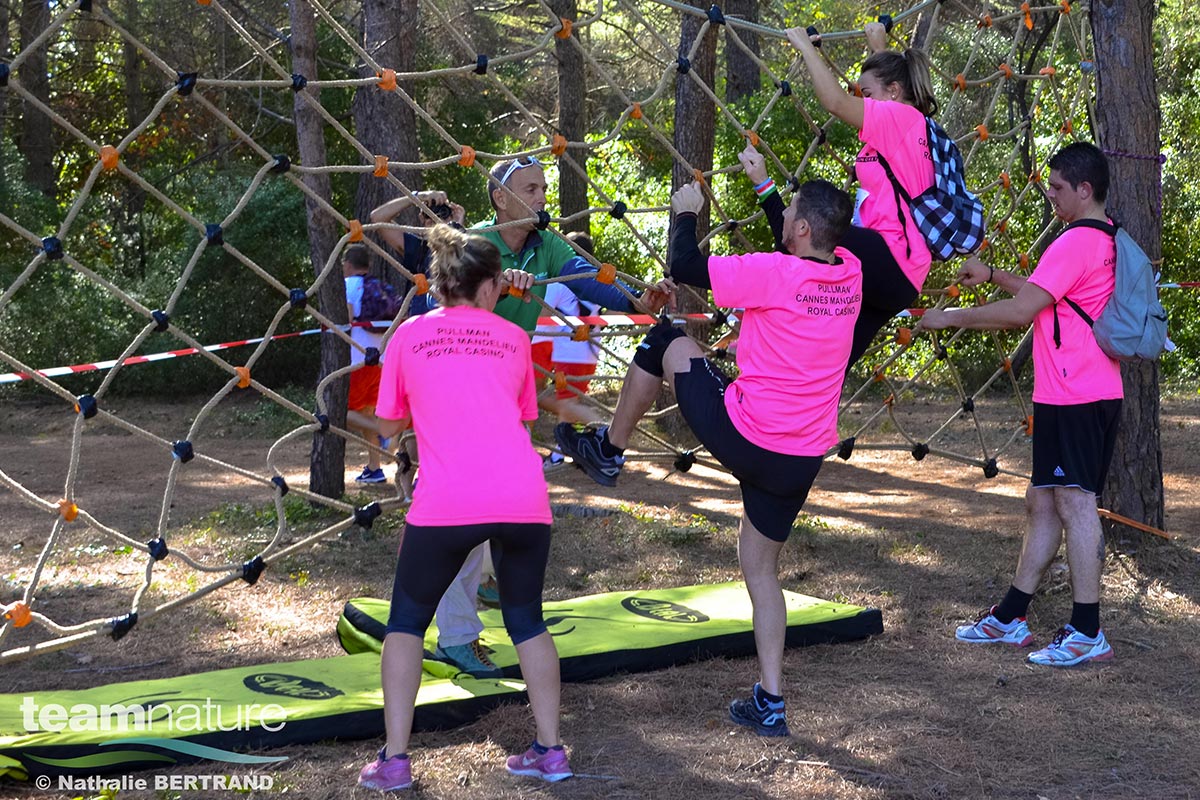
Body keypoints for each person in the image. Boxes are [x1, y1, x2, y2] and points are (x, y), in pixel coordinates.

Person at [555, 178, 861, 737]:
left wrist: (686, 212)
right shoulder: (850, 275)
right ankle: (771, 701)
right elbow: (795, 245)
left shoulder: (775, 272)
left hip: (750, 437)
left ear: (800, 229)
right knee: (759, 569)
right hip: (800, 460)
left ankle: (608, 450)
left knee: (664, 341)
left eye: (787, 214)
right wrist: (769, 190)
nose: (783, 220)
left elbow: (686, 264)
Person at [359, 224, 570, 790]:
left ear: (445, 282)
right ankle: (551, 751)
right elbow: (523, 415)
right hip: (524, 498)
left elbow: (387, 426)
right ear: (491, 286)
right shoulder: (514, 339)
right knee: (527, 622)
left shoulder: (408, 335)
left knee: (405, 624)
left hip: (447, 501)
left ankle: (395, 761)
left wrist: (403, 436)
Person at [921, 142, 1121, 667]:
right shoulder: (1105, 236)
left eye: (1057, 188)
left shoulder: (1076, 241)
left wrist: (950, 318)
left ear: (1084, 189)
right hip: (1073, 392)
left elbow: (1021, 312)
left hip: (1078, 392)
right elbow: (1047, 293)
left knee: (1075, 503)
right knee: (1044, 501)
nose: (1051, 196)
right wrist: (991, 277)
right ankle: (1011, 616)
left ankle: (1086, 629)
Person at [373, 188, 502, 676]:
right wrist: (417, 199)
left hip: (462, 413)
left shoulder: (470, 275)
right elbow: (376, 218)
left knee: (473, 529)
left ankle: (466, 615)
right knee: (454, 536)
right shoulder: (419, 262)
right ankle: (457, 635)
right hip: (436, 405)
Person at [770, 21, 938, 369]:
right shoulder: (910, 122)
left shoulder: (898, 118)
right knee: (827, 366)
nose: (863, 102)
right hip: (901, 274)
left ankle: (755, 315)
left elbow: (834, 101)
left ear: (893, 91)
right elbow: (889, 85)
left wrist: (804, 46)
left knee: (802, 229)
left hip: (890, 257)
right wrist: (879, 47)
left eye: (867, 94)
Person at [371, 189, 467, 317]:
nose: (436, 220)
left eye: (442, 214)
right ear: (422, 219)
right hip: (424, 328)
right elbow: (377, 218)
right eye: (430, 215)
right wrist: (417, 197)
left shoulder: (467, 249)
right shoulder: (418, 249)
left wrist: (457, 227)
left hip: (455, 326)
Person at [342, 243, 392, 484]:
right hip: (380, 361)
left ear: (347, 264)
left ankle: (386, 431)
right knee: (365, 412)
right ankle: (375, 468)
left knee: (337, 412)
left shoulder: (347, 286)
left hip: (356, 360)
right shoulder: (379, 286)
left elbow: (348, 317)